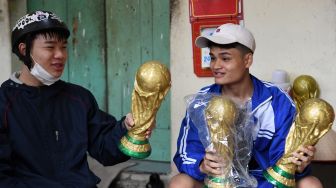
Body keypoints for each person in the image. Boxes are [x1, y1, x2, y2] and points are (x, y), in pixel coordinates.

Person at [0, 10, 151, 187]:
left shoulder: (78, 98)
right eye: (50, 47)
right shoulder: (4, 104)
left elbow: (105, 150)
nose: (60, 55)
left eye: (63, 47)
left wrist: (127, 129)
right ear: (24, 50)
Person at [170, 23, 320, 188]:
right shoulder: (202, 101)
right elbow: (186, 152)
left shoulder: (277, 99)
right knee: (180, 183)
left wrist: (298, 166)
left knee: (310, 183)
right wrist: (202, 166)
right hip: (219, 181)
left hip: (265, 181)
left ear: (247, 60)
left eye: (225, 58)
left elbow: (284, 156)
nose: (215, 65)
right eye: (213, 57)